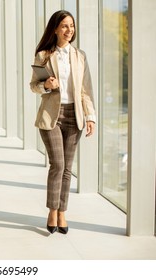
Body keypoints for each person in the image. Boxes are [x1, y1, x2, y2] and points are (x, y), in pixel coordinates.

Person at [30, 10, 96, 234]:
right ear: (55, 29)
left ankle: (62, 212)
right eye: (65, 26)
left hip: (74, 115)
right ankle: (51, 210)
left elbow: (86, 90)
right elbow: (34, 86)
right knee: (57, 165)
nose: (70, 30)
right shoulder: (43, 56)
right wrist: (47, 85)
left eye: (72, 26)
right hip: (52, 117)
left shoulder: (80, 56)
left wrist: (91, 117)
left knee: (67, 168)